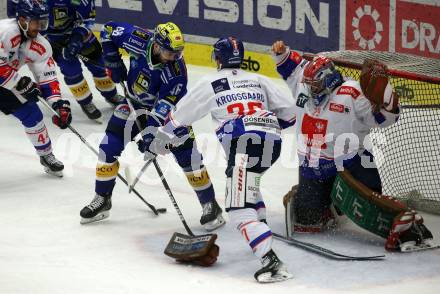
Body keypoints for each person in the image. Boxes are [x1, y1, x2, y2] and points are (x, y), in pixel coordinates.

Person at [149, 37, 296, 283]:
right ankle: (260, 226)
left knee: (238, 210)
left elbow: (179, 118)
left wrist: (158, 142)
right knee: (250, 183)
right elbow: (290, 114)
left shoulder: (211, 82)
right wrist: (266, 125)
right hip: (273, 142)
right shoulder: (258, 79)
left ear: (218, 59)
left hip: (243, 144)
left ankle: (271, 262)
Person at [271, 40, 433, 251]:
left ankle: (408, 223)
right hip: (313, 167)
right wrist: (281, 52)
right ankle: (329, 206)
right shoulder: (304, 83)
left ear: (328, 80)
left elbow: (386, 119)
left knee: (369, 207)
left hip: (351, 164)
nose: (311, 90)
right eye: (309, 85)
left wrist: (386, 99)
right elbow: (290, 66)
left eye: (316, 86)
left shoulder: (353, 93)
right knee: (306, 223)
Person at [79, 21, 225, 232]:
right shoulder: (137, 38)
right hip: (133, 103)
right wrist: (113, 61)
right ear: (156, 45)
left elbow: (163, 110)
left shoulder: (176, 73)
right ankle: (102, 199)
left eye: (178, 53)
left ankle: (210, 205)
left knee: (188, 156)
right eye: (170, 53)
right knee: (108, 147)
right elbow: (108, 30)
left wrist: (151, 137)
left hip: (172, 114)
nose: (175, 58)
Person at [8, 0, 124, 122]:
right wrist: (47, 40)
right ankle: (85, 102)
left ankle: (111, 94)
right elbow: (18, 13)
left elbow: (87, 20)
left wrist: (77, 38)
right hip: (51, 38)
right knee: (71, 70)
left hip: (77, 34)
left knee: (99, 64)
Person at [0, 0, 72, 177]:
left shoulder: (40, 45)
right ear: (23, 19)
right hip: (7, 79)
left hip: (6, 82)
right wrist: (19, 82)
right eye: (35, 22)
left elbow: (47, 78)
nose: (39, 27)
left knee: (33, 113)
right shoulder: (5, 32)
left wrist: (58, 105)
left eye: (42, 22)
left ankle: (46, 155)